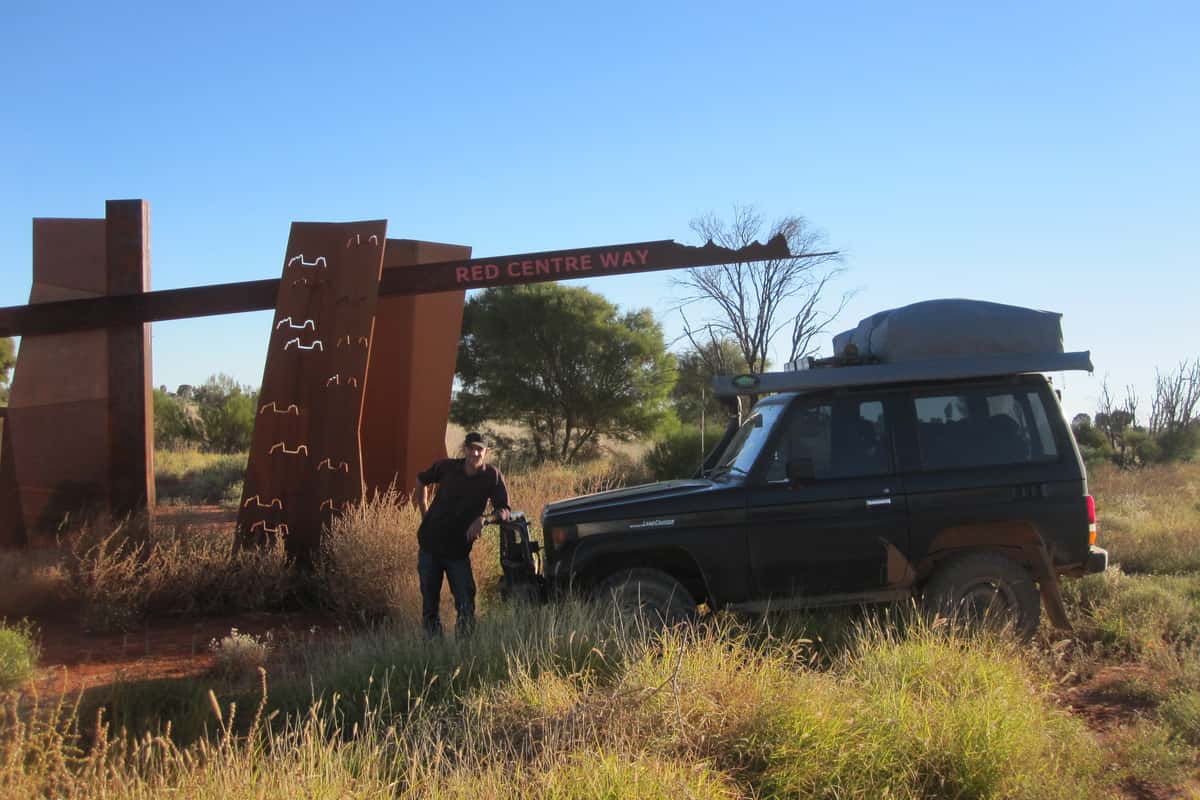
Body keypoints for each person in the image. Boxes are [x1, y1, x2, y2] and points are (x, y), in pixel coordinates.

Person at [415, 431, 510, 637]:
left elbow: (504, 510)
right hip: (430, 546)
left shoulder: (491, 476)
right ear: (464, 449)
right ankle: (433, 650)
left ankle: (464, 652)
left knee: (466, 605)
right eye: (471, 448)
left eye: (480, 449)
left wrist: (483, 520)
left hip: (458, 552)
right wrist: (424, 511)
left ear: (486, 452)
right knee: (430, 606)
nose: (475, 453)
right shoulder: (447, 467)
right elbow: (422, 479)